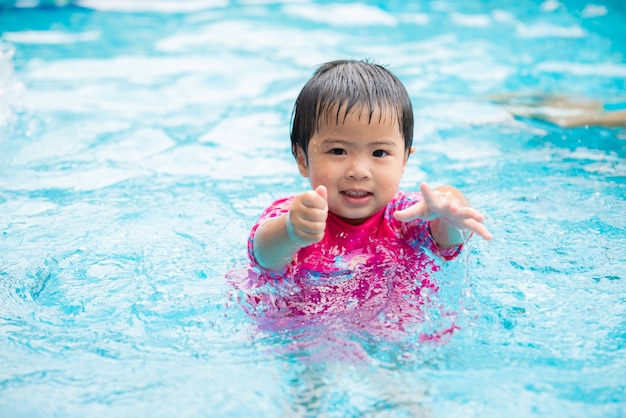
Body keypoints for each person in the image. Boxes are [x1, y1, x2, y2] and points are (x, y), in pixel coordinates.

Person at [237, 59, 492, 320]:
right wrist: (291, 231)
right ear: (302, 160)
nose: (359, 170)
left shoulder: (408, 216)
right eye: (338, 150)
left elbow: (450, 239)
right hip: (304, 334)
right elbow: (263, 255)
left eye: (379, 152)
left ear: (404, 160)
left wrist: (448, 211)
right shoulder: (300, 214)